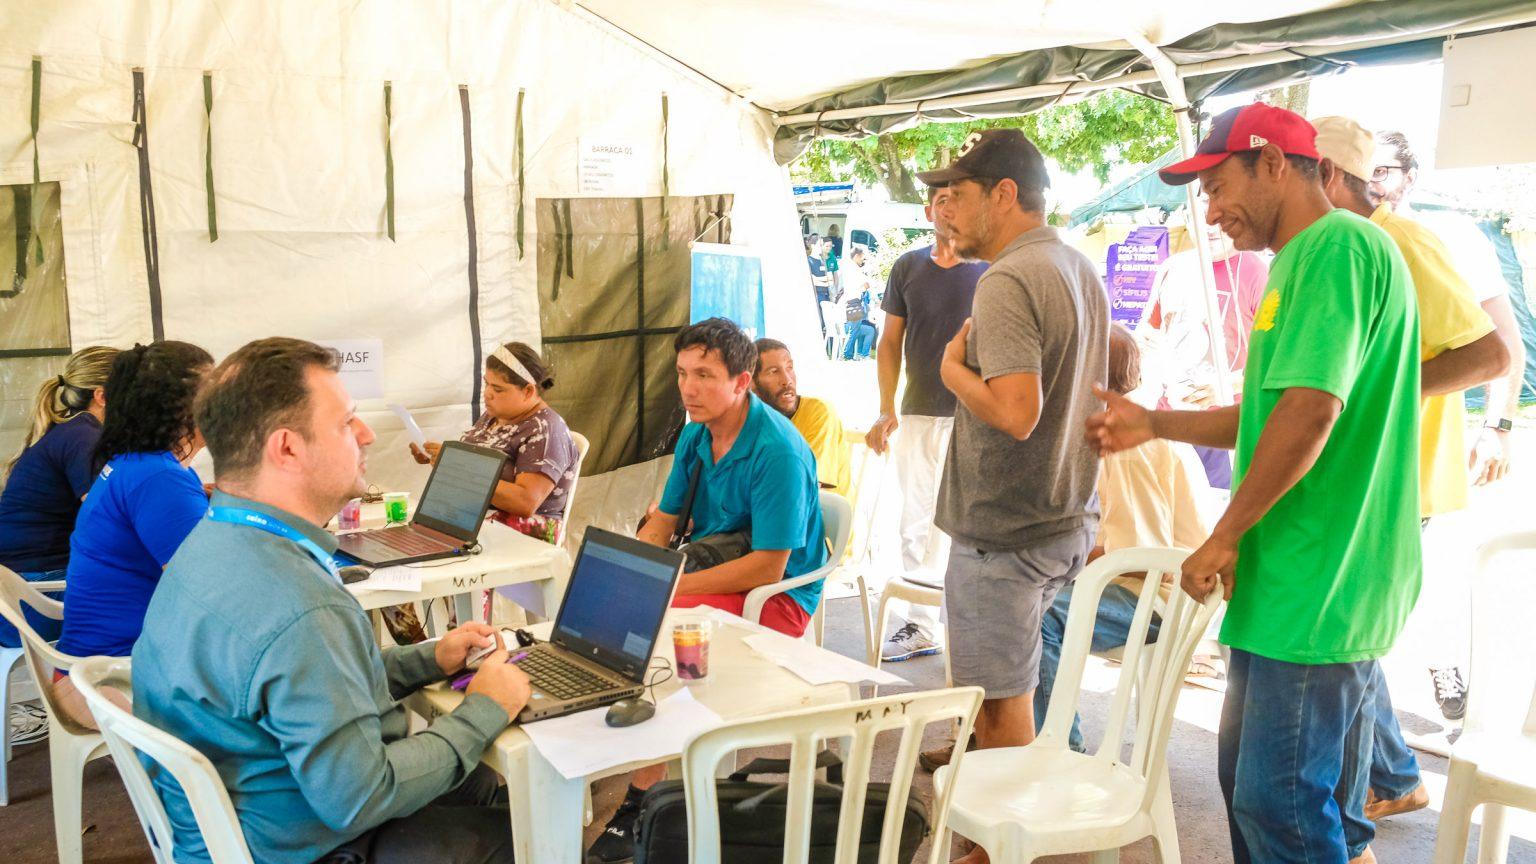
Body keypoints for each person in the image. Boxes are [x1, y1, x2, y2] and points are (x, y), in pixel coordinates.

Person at [1088, 103, 1422, 864]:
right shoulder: (1303, 262)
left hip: (1318, 575)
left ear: (1274, 160)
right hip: (1303, 575)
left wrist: (1223, 533)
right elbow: (1272, 410)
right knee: (1284, 796)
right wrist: (1156, 424)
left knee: (1280, 805)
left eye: (1218, 185)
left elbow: (1310, 412)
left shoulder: (1333, 245)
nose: (1210, 211)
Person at [134, 337, 530, 864]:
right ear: (287, 448)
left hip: (245, 823)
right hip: (307, 843)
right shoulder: (299, 605)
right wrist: (488, 707)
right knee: (532, 828)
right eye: (346, 422)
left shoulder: (209, 545)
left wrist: (429, 659)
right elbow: (360, 796)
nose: (365, 434)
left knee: (478, 782)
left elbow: (305, 684)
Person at [1314, 116, 1510, 849]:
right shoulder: (1346, 243)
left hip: (1401, 478)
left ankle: (1375, 796)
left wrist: (1384, 393)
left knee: (1350, 645)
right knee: (1352, 644)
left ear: (1330, 177)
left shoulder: (1401, 239)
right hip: (1369, 472)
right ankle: (1393, 778)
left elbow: (1489, 354)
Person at [587, 318, 826, 864]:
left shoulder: (778, 452)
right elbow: (665, 519)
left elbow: (769, 568)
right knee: (621, 600)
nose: (688, 388)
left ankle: (649, 792)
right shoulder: (697, 430)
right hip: (715, 569)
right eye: (681, 373)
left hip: (779, 598)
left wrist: (669, 587)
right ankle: (648, 774)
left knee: (659, 626)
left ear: (742, 382)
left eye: (704, 375)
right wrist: (643, 565)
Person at [917, 127, 1108, 790]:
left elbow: (1017, 411)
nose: (945, 210)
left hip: (1006, 534)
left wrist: (950, 371)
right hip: (1064, 520)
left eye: (957, 194)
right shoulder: (1075, 265)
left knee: (1001, 714)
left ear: (1004, 194)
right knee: (1020, 693)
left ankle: (999, 845)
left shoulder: (1006, 279)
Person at [1372, 128, 1527, 721]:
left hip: (1422, 440)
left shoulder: (1448, 237)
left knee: (1400, 576)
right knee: (1393, 580)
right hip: (1370, 445)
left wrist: (1499, 425)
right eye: (1368, 171)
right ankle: (1393, 744)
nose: (1375, 183)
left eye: (1386, 170)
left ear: (1410, 176)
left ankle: (1437, 675)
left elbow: (1502, 345)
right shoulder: (1356, 239)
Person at [1035, 324, 1210, 752]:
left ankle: (1056, 750)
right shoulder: (1138, 424)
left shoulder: (1123, 441)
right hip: (1152, 590)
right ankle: (1008, 734)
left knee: (1034, 616)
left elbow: (1134, 557)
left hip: (1154, 597)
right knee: (1020, 599)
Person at [52, 341, 213, 729]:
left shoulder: (141, 466)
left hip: (93, 671)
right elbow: (213, 590)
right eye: (215, 390)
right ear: (179, 406)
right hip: (112, 680)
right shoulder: (158, 478)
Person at [866, 184, 987, 663]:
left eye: (957, 199)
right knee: (916, 520)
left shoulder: (988, 270)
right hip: (918, 411)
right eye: (941, 200)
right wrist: (884, 406)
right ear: (928, 210)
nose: (949, 209)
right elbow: (889, 342)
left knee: (966, 522)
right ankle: (919, 625)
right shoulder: (907, 267)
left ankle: (967, 622)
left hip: (974, 416)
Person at [0, 346, 117, 649]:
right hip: (37, 595)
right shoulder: (84, 436)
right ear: (101, 395)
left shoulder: (68, 429)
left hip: (19, 594)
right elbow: (107, 517)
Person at [411, 341, 578, 543]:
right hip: (476, 522)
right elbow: (471, 472)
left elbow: (525, 502)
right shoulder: (494, 416)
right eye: (487, 383)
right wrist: (441, 461)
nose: (488, 393)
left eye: (498, 389)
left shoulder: (546, 429)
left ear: (528, 391)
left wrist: (454, 466)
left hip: (521, 536)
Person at [753, 337, 850, 496]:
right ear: (752, 383)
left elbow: (806, 486)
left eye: (789, 368)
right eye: (774, 371)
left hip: (820, 514)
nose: (787, 380)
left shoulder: (819, 412)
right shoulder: (754, 419)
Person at [839, 245, 879, 360]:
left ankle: (849, 354)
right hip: (854, 302)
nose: (863, 260)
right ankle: (846, 354)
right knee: (854, 331)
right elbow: (865, 285)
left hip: (852, 301)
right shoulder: (854, 269)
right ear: (856, 256)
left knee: (855, 330)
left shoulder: (849, 268)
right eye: (862, 258)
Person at [806, 233, 833, 304]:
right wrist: (825, 281)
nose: (822, 247)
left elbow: (830, 278)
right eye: (820, 245)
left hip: (827, 295)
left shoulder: (823, 260)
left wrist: (819, 280)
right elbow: (811, 281)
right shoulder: (808, 261)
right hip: (817, 296)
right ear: (813, 246)